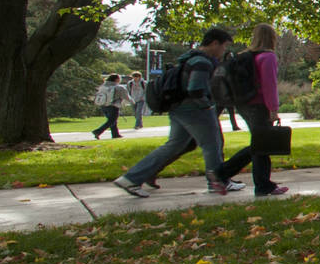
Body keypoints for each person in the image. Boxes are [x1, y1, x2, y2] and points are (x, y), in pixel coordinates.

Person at [112, 27, 233, 197]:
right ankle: (217, 181)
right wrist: (207, 106)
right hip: (195, 109)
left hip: (178, 108)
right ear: (214, 43)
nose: (224, 51)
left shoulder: (189, 58)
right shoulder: (202, 63)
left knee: (173, 146)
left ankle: (131, 178)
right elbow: (195, 89)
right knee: (212, 145)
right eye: (224, 46)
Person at [214, 24, 289, 197]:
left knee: (261, 144)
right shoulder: (267, 57)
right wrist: (273, 109)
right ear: (272, 37)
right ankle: (223, 173)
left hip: (244, 104)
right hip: (259, 105)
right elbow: (269, 86)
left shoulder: (245, 56)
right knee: (261, 145)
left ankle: (263, 185)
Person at [91, 74, 124, 139]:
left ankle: (115, 134)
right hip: (112, 105)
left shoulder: (103, 86)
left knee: (112, 120)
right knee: (112, 120)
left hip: (103, 105)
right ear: (116, 79)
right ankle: (98, 131)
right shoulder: (116, 87)